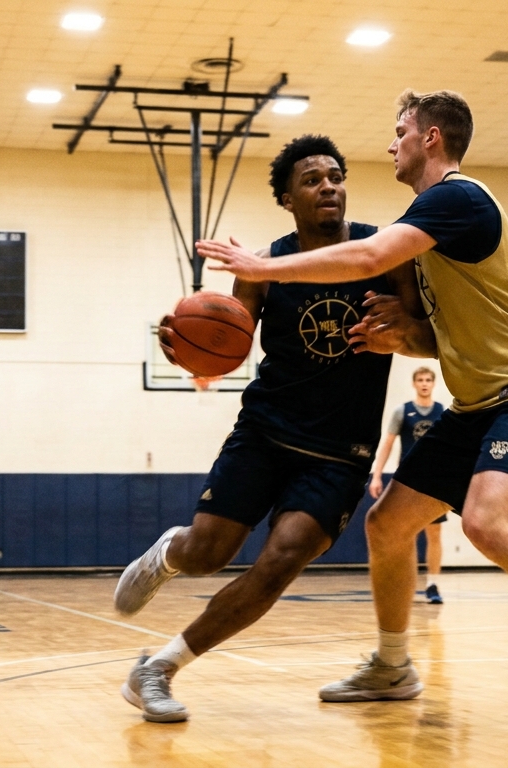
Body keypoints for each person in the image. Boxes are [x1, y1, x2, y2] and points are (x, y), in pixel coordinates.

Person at [198, 89, 508, 725]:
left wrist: (261, 267)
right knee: (387, 525)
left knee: (486, 523)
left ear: (431, 138)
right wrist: (403, 337)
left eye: (400, 131)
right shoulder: (430, 228)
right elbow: (435, 339)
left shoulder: (457, 199)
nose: (392, 144)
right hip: (477, 403)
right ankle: (392, 665)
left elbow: (367, 255)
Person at [113, 135, 434, 723]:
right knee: (208, 553)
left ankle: (157, 668)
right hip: (266, 431)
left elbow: (431, 338)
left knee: (280, 560)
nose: (329, 186)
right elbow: (226, 345)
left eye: (335, 175)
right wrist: (187, 348)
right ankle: (171, 553)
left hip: (340, 452)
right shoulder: (262, 270)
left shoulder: (387, 253)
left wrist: (406, 334)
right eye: (312, 180)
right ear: (288, 199)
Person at [369, 366, 447, 603]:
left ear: (433, 384)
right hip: (407, 480)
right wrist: (376, 475)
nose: (424, 383)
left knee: (434, 534)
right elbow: (387, 444)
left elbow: (447, 449)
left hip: (432, 481)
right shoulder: (402, 411)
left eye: (428, 380)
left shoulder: (442, 412)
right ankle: (407, 582)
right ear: (414, 384)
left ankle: (433, 585)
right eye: (420, 380)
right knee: (405, 534)